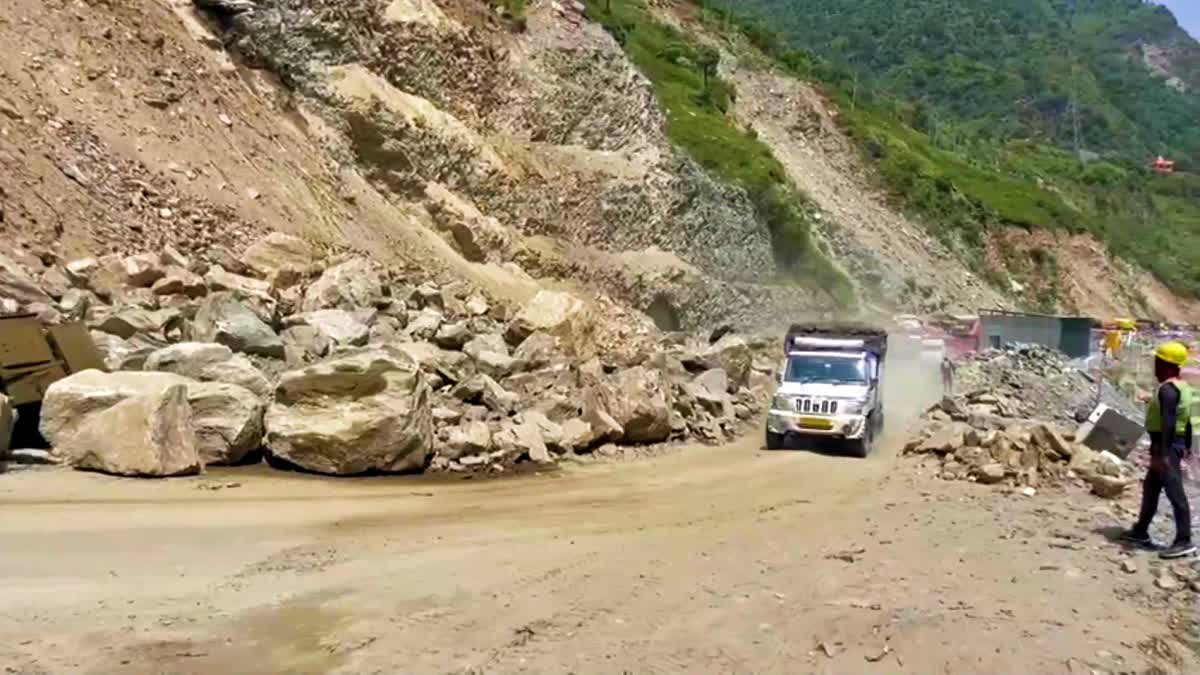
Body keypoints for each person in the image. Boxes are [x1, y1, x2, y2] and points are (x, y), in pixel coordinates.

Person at [1121, 341, 1197, 559]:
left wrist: (1163, 455)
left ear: (1167, 365)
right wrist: (1187, 447)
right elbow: (1187, 421)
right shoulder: (1182, 388)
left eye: (1157, 361)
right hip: (1170, 445)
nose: (1154, 366)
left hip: (1167, 446)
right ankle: (1140, 531)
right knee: (1151, 488)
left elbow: (1169, 423)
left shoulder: (1168, 391)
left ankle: (1184, 540)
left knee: (1175, 492)